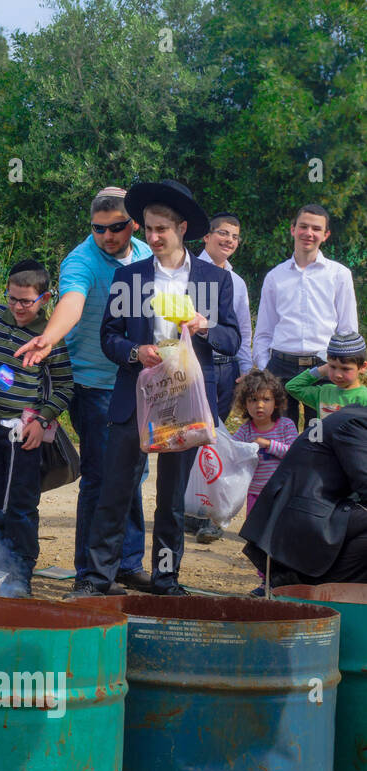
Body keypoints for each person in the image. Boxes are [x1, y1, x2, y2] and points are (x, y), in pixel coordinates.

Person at [67, 179, 240, 599]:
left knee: (171, 499)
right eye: (148, 228)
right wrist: (135, 351)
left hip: (187, 401)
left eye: (162, 228)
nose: (154, 236)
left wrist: (206, 326)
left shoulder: (212, 280)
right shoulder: (130, 277)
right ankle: (97, 578)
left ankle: (166, 579)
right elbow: (110, 336)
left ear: (182, 227)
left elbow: (233, 339)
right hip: (137, 397)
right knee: (115, 488)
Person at [13, 187, 153, 590]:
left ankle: (125, 562)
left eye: (116, 228)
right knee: (103, 476)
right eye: (98, 229)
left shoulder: (146, 254)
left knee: (133, 476)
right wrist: (50, 337)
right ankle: (91, 574)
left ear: (133, 224)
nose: (107, 237)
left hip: (141, 383)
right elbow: (72, 302)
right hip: (94, 385)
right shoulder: (81, 260)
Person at [0, 260, 74, 597]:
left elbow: (65, 386)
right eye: (12, 299)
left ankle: (20, 574)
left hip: (21, 433)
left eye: (26, 301)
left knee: (20, 505)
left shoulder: (52, 334)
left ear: (46, 298)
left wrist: (42, 420)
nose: (18, 307)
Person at [253, 204, 359, 429]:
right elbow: (264, 331)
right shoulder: (275, 277)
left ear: (325, 235)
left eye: (316, 228)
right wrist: (265, 372)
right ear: (292, 229)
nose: (308, 233)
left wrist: (345, 370)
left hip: (325, 368)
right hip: (281, 368)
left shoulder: (339, 275)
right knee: (281, 436)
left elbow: (348, 330)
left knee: (323, 437)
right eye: (303, 226)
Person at [241, 405, 367, 587]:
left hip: (303, 513)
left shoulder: (351, 416)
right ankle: (320, 589)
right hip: (304, 520)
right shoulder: (355, 424)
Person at [189, 212, 253, 544]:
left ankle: (211, 514)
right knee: (191, 439)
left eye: (234, 237)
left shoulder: (237, 282)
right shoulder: (189, 271)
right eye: (222, 234)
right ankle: (188, 508)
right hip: (194, 364)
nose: (228, 241)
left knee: (214, 441)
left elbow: (241, 328)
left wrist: (246, 368)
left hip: (226, 368)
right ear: (206, 237)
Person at [229, 369, 298, 595]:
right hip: (255, 496)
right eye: (253, 400)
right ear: (244, 404)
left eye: (266, 399)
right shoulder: (245, 430)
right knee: (258, 540)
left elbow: (295, 453)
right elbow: (231, 451)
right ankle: (265, 582)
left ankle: (282, 580)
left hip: (280, 495)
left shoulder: (286, 426)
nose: (260, 405)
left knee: (280, 538)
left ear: (276, 402)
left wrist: (268, 445)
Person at [283, 331, 367, 421]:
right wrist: (321, 370)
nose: (337, 375)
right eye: (333, 367)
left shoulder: (364, 397)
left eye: (345, 369)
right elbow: (292, 387)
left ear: (362, 367)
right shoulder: (323, 393)